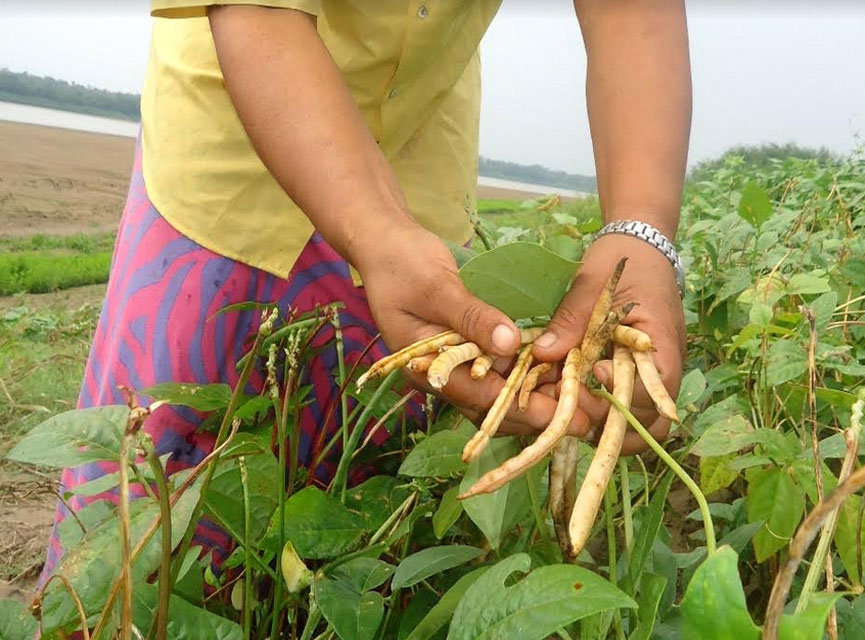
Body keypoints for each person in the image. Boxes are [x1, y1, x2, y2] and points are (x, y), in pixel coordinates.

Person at [42, 0, 691, 579]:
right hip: (235, 125)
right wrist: (373, 234)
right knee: (148, 486)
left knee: (352, 514)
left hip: (422, 152)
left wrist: (642, 231)